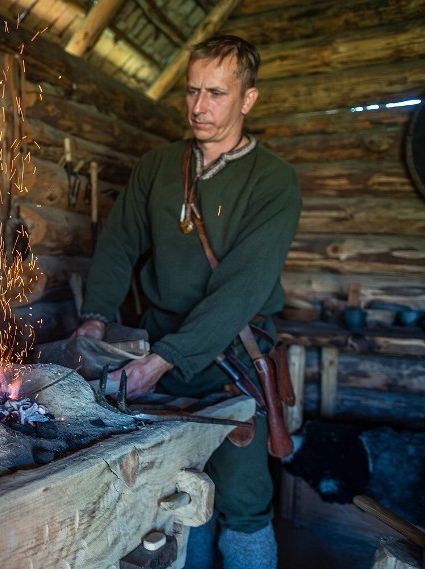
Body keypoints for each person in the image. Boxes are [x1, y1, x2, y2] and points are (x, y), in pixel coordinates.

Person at [75, 35, 302, 569]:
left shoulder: (274, 181)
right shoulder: (158, 166)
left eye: (217, 94)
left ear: (248, 99)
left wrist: (165, 361)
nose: (199, 107)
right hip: (156, 343)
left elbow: (242, 288)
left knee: (244, 500)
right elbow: (118, 243)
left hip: (232, 356)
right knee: (172, 495)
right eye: (193, 91)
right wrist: (96, 317)